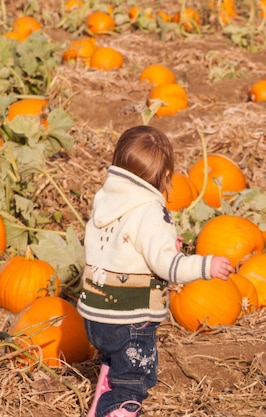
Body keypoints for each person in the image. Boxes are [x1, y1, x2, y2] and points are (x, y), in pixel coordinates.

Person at [77, 125, 234, 417]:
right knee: (135, 381)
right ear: (165, 177)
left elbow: (120, 247)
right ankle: (120, 406)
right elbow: (167, 266)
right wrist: (205, 266)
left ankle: (107, 389)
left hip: (94, 317)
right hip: (130, 320)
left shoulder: (105, 199)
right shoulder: (150, 211)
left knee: (116, 358)